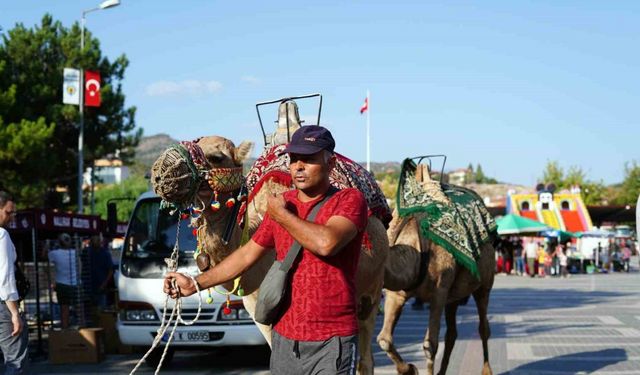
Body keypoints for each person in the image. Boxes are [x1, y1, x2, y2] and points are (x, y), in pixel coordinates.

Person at [164, 126, 367, 374]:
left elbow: (327, 243)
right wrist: (195, 283)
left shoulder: (348, 201)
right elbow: (247, 254)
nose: (299, 166)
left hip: (332, 342)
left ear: (331, 163)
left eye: (309, 159)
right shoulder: (283, 204)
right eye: (294, 159)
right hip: (284, 340)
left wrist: (282, 215)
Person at [0, 191, 29, 373]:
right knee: (14, 361)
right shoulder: (1, 235)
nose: (11, 218)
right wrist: (14, 313)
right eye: (8, 213)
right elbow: (5, 277)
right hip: (3, 306)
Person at [48, 233, 79, 328]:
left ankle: (65, 330)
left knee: (64, 309)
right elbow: (80, 267)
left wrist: (47, 245)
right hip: (75, 283)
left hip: (61, 284)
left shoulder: (54, 254)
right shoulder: (75, 253)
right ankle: (79, 329)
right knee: (78, 308)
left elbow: (44, 257)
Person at [83, 235, 114, 309]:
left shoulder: (105, 254)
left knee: (101, 309)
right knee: (91, 309)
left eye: (96, 241)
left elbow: (110, 270)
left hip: (100, 285)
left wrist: (104, 284)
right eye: (93, 241)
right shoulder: (87, 252)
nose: (95, 243)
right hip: (89, 286)